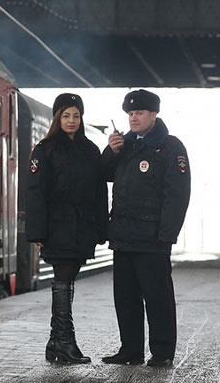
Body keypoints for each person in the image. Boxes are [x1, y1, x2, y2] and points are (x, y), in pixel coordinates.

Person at [101, 89, 191, 367]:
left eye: (139, 113)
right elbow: (103, 174)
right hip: (124, 236)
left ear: (154, 114)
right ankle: (131, 351)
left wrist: (167, 235)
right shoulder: (124, 145)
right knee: (125, 298)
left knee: (158, 298)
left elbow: (177, 194)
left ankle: (162, 352)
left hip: (153, 239)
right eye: (130, 113)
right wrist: (110, 151)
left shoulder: (170, 147)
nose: (133, 118)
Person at [26, 93, 108, 364]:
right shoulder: (45, 148)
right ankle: (66, 342)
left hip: (82, 226)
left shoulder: (90, 150)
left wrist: (101, 228)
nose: (71, 121)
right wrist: (37, 231)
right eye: (66, 115)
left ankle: (55, 342)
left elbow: (99, 191)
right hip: (57, 225)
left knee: (68, 279)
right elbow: (35, 191)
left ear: (81, 118)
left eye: (76, 115)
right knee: (63, 279)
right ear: (57, 118)